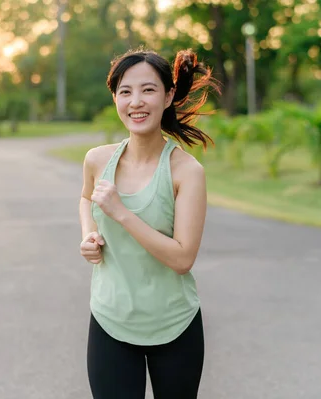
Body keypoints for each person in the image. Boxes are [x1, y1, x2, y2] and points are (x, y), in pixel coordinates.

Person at [78, 48, 220, 399]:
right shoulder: (97, 160)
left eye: (148, 90)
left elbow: (182, 257)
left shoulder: (186, 172)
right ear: (115, 97)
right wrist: (89, 234)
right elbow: (85, 198)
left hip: (174, 326)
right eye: (125, 91)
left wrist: (121, 213)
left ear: (169, 95)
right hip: (111, 319)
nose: (136, 102)